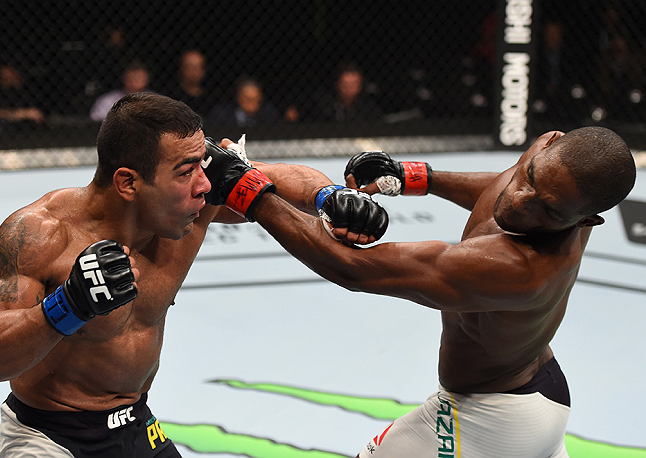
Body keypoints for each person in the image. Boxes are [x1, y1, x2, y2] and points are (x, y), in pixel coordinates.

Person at [0, 92, 387, 458]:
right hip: (47, 436)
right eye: (186, 172)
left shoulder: (191, 205)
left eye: (202, 164)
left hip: (135, 425)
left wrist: (330, 196)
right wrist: (66, 307)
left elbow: (276, 175)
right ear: (128, 182)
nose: (204, 185)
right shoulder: (42, 234)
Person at [242, 126, 636, 457]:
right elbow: (498, 189)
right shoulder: (556, 170)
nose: (518, 203)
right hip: (538, 388)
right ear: (547, 144)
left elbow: (354, 269)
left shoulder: (519, 269)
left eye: (547, 211)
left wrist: (249, 192)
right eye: (528, 176)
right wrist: (417, 177)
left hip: (491, 417)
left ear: (587, 221)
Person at [312, 61, 383, 123]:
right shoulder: (325, 107)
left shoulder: (369, 110)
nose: (349, 89)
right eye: (346, 85)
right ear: (338, 85)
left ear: (360, 87)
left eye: (354, 84)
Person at [206, 76, 281, 128]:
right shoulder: (222, 115)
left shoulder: (269, 115)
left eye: (257, 100)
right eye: (248, 99)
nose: (252, 104)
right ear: (238, 98)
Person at [89, 61, 153, 121]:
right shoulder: (108, 100)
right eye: (133, 79)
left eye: (139, 78)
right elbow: (95, 123)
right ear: (125, 79)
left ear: (146, 80)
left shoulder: (154, 99)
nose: (135, 83)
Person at [168, 49, 216, 119]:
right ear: (181, 68)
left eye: (196, 67)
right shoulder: (171, 97)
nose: (193, 71)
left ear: (203, 70)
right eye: (189, 67)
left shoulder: (212, 97)